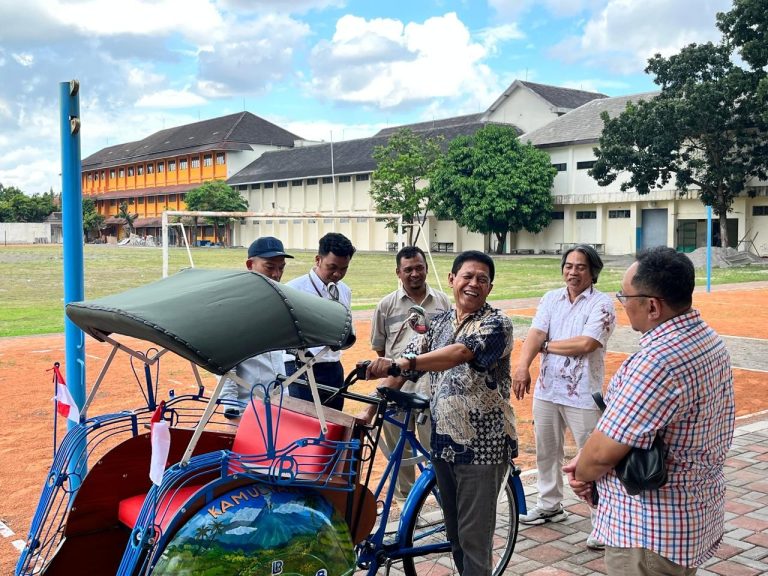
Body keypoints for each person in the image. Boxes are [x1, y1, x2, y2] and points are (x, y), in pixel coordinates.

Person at [564, 247, 735, 576]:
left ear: (652, 306)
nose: (622, 303)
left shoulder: (657, 362)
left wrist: (582, 473)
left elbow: (601, 454)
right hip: (690, 516)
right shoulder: (709, 339)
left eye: (624, 296)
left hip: (648, 531)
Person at [365, 250, 516, 576]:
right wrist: (374, 402)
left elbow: (460, 353)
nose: (473, 283)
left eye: (482, 279)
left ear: (490, 287)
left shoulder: (496, 323)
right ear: (452, 280)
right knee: (456, 537)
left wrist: (406, 363)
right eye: (467, 276)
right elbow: (407, 360)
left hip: (483, 449)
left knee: (475, 542)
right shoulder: (440, 323)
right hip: (444, 443)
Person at [512, 244, 615, 550]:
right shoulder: (551, 299)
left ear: (593, 272)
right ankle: (550, 504)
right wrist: (521, 367)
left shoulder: (602, 304)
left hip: (583, 393)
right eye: (568, 266)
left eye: (580, 267)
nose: (573, 272)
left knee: (592, 456)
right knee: (547, 449)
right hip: (548, 389)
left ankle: (604, 520)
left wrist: (545, 347)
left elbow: (586, 344)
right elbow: (535, 333)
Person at [370, 245, 451, 499]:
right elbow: (380, 350)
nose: (414, 274)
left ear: (426, 268)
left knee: (433, 455)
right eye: (408, 269)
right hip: (397, 392)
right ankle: (404, 505)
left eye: (419, 267)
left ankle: (440, 506)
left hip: (432, 393)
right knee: (400, 457)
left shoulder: (442, 302)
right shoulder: (386, 306)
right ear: (398, 272)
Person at [220, 236, 293, 419]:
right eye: (269, 267)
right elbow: (225, 360)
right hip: (247, 408)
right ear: (250, 264)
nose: (276, 274)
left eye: (281, 268)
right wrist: (231, 407)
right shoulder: (235, 306)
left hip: (280, 404)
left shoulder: (281, 302)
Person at [286, 232, 356, 410]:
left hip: (333, 367)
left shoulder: (345, 291)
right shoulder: (293, 290)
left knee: (333, 426)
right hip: (301, 368)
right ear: (318, 259)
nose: (337, 274)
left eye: (344, 269)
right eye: (332, 267)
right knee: (304, 425)